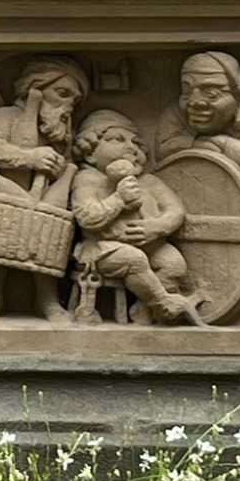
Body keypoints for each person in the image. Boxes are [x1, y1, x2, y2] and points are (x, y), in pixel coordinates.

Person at [0, 56, 88, 322]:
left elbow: (67, 163)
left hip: (46, 201)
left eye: (73, 101)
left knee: (47, 248)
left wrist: (58, 166)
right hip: (5, 196)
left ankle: (47, 301)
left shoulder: (60, 130)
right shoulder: (7, 116)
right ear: (35, 88)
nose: (67, 106)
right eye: (62, 93)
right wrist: (29, 157)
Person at [71, 110, 199, 325]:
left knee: (174, 264)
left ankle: (144, 307)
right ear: (90, 153)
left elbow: (175, 210)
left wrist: (156, 227)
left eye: (137, 143)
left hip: (150, 244)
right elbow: (86, 217)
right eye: (118, 139)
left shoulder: (149, 181)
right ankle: (162, 303)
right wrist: (118, 199)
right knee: (133, 259)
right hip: (102, 249)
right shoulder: (88, 179)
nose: (131, 148)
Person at [156, 51, 240, 172]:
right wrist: (196, 144)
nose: (194, 102)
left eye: (211, 94)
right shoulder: (177, 111)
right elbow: (162, 148)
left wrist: (219, 142)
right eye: (187, 91)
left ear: (237, 96)